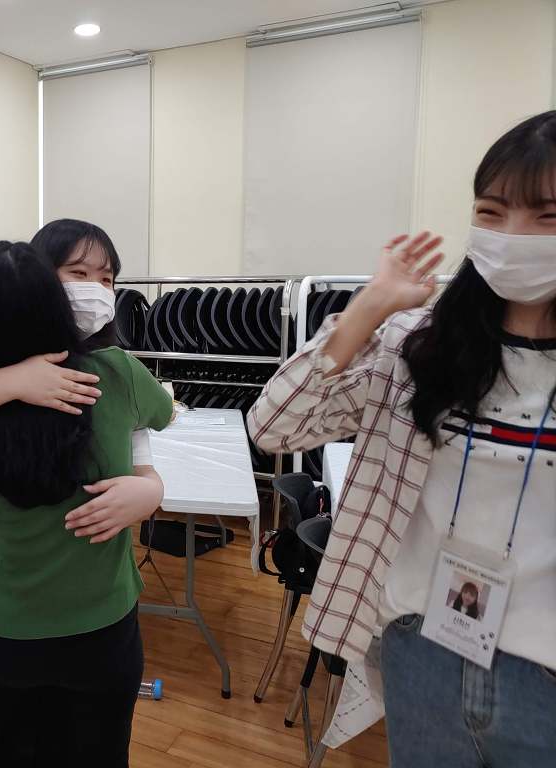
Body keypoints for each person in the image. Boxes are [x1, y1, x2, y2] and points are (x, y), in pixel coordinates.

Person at [249, 111, 556, 767]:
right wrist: (371, 306)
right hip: (424, 647)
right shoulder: (421, 347)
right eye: (492, 212)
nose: (512, 237)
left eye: (547, 217)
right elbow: (273, 426)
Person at [0, 240, 172, 766]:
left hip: (7, 620)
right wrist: (12, 381)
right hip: (98, 623)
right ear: (49, 288)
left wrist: (150, 487)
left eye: (106, 279)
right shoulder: (117, 374)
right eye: (79, 274)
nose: (94, 290)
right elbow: (162, 412)